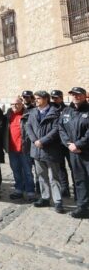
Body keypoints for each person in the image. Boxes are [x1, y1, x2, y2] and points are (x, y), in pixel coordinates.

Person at [26, 90, 64, 214]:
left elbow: (56, 129)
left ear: (46, 99)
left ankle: (58, 201)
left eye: (38, 98)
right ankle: (45, 198)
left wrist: (43, 141)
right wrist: (34, 140)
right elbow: (28, 127)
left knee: (54, 177)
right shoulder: (32, 112)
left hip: (50, 150)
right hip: (36, 149)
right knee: (41, 175)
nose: (35, 100)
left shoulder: (55, 113)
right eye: (34, 98)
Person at [58, 87, 89, 218]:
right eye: (73, 94)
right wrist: (69, 144)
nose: (76, 96)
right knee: (79, 180)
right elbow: (61, 129)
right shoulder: (66, 111)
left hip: (86, 151)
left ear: (84, 96)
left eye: (79, 94)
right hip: (74, 152)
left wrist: (79, 144)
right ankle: (83, 207)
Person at [5, 97, 35, 202]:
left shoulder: (28, 115)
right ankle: (19, 190)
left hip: (24, 148)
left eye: (17, 104)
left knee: (27, 171)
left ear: (22, 104)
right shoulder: (8, 116)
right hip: (12, 149)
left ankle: (30, 192)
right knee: (16, 171)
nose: (14, 106)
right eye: (12, 104)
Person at [51, 89, 74, 198]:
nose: (54, 100)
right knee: (60, 167)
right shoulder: (51, 109)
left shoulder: (68, 109)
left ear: (61, 97)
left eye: (56, 97)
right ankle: (65, 189)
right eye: (53, 98)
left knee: (73, 166)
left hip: (68, 142)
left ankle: (76, 188)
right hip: (57, 143)